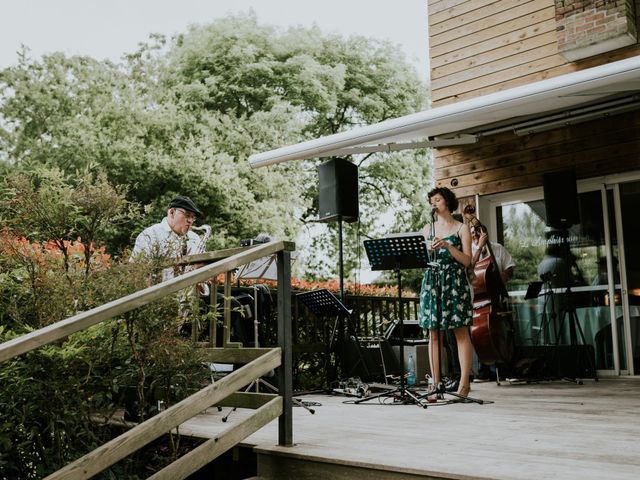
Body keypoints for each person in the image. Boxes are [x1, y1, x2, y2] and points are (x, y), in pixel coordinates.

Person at [419, 186, 474, 400]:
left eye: (438, 199)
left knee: (460, 332)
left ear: (447, 202)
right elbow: (421, 258)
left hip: (454, 282)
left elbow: (467, 260)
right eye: (431, 200)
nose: (434, 203)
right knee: (433, 334)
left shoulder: (462, 228)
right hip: (432, 282)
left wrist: (448, 247)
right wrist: (429, 250)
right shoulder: (427, 228)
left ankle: (464, 385)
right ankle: (436, 384)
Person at [470, 224, 515, 382]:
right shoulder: (468, 251)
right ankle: (485, 370)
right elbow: (469, 271)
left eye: (478, 231)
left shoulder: (497, 248)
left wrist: (501, 277)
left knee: (504, 333)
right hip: (479, 302)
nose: (475, 234)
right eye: (472, 232)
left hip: (497, 300)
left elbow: (510, 268)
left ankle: (506, 368)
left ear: (485, 232)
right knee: (480, 335)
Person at [131, 195, 206, 284]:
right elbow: (135, 271)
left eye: (193, 217)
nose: (190, 221)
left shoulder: (195, 238)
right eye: (187, 215)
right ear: (172, 212)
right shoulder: (149, 235)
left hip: (190, 294)